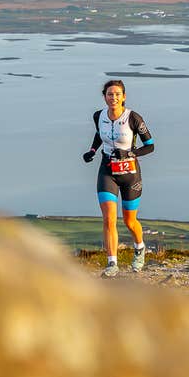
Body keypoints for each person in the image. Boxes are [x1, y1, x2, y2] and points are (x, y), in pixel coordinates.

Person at [82, 79, 154, 277]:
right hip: (107, 171)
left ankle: (139, 249)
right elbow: (99, 134)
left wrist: (130, 154)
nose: (113, 97)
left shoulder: (133, 118)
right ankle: (112, 263)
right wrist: (92, 150)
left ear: (124, 97)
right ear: (104, 97)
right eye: (109, 94)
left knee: (130, 221)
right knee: (109, 219)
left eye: (117, 94)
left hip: (130, 174)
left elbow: (150, 145)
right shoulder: (99, 116)